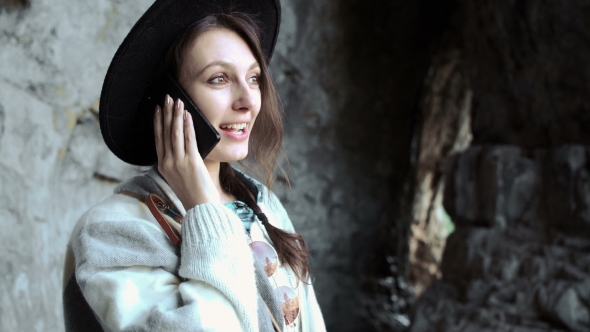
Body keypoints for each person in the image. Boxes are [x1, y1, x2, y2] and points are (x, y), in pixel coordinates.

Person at [62, 1, 326, 331]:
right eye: (219, 79)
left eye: (254, 78)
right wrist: (203, 208)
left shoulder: (261, 205)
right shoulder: (111, 231)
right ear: (169, 98)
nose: (247, 101)